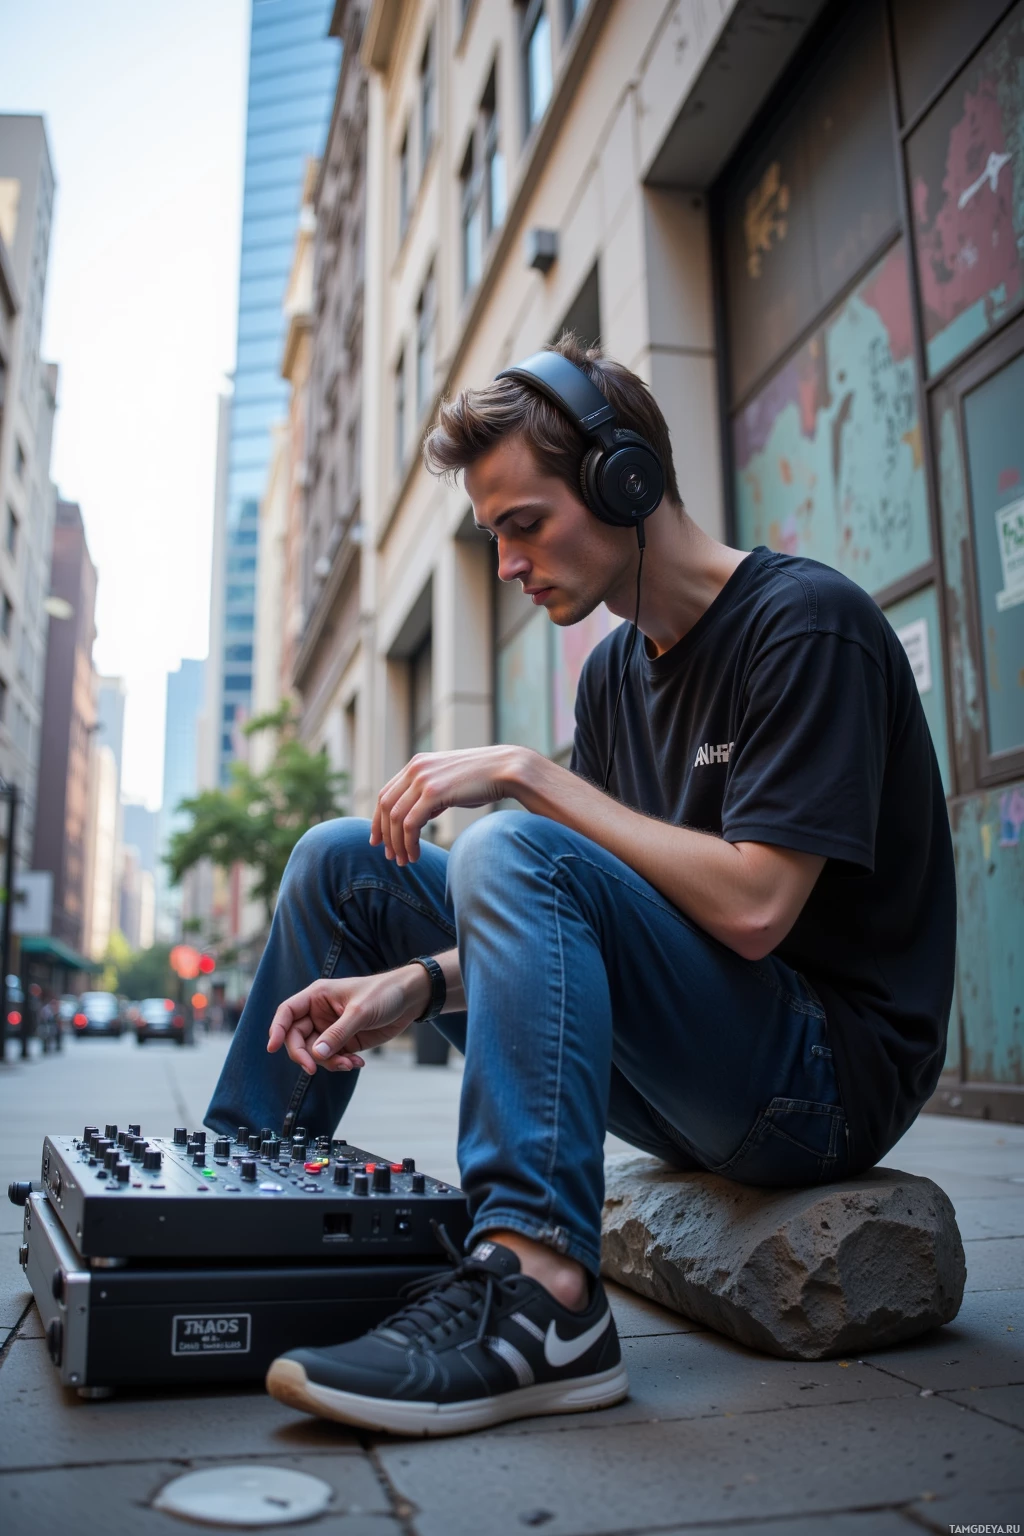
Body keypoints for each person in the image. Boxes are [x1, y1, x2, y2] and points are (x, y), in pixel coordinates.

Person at [206, 335, 956, 1437]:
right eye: (492, 532)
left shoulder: (806, 625)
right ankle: (222, 1223)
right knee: (342, 863)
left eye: (524, 523)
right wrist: (415, 984)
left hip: (822, 1081)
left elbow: (754, 910)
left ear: (626, 481)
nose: (508, 564)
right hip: (698, 1060)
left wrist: (528, 775)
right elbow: (564, 921)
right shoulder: (615, 672)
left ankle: (541, 1299)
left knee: (513, 838)